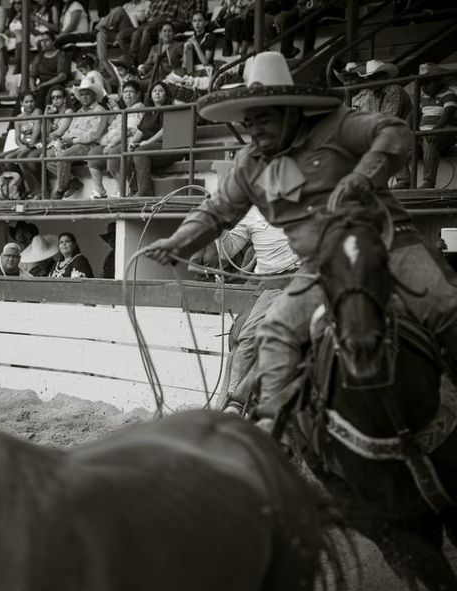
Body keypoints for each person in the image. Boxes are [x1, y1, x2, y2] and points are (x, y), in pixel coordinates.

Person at [143, 51, 456, 432]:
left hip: (389, 244)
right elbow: (215, 211)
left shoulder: (337, 124)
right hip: (320, 269)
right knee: (275, 334)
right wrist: (178, 242)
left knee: (445, 306)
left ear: (289, 110)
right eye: (249, 120)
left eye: (264, 118)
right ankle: (274, 433)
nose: (255, 128)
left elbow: (394, 133)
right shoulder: (250, 163)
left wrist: (362, 175)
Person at [200, 206, 300, 414]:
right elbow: (228, 250)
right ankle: (233, 403)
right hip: (272, 283)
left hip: (304, 279)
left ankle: (234, 404)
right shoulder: (251, 213)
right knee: (243, 337)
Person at [346, 60, 412, 190]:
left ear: (384, 77)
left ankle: (403, 179)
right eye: (369, 78)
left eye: (374, 78)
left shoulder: (394, 89)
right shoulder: (371, 94)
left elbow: (390, 118)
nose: (371, 82)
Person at [41, 78, 107, 200]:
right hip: (73, 143)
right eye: (81, 95)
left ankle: (60, 189)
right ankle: (72, 181)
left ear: (94, 95)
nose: (84, 97)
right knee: (45, 157)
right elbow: (69, 130)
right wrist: (64, 141)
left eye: (87, 94)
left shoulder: (100, 110)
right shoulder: (79, 111)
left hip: (89, 145)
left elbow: (93, 134)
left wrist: (72, 141)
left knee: (64, 156)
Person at [88, 79, 145, 198]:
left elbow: (128, 130)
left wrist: (110, 144)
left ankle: (121, 190)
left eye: (131, 92)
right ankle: (99, 190)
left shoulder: (139, 108)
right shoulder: (124, 111)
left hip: (128, 143)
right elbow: (111, 130)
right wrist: (105, 143)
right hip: (113, 142)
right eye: (125, 92)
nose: (128, 94)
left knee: (114, 154)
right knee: (93, 153)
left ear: (138, 94)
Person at [126, 81, 182, 196]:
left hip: (167, 145)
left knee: (140, 153)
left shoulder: (168, 108)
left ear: (166, 94)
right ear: (150, 94)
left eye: (161, 91)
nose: (157, 93)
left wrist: (147, 142)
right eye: (154, 91)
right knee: (127, 154)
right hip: (151, 146)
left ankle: (146, 190)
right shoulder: (148, 111)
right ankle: (134, 190)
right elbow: (140, 131)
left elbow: (165, 130)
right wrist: (132, 142)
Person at [417, 62, 456, 191]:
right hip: (424, 132)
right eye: (421, 83)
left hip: (442, 130)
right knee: (403, 145)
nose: (424, 86)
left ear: (439, 81)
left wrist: (435, 130)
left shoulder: (449, 94)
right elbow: (416, 113)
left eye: (427, 82)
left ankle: (429, 181)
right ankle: (404, 180)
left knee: (430, 142)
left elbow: (448, 115)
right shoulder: (423, 96)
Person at [28, 31, 69, 111]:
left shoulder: (61, 55)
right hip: (41, 86)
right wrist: (33, 88)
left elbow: (62, 76)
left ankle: (39, 116)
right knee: (25, 96)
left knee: (42, 94)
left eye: (46, 40)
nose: (43, 43)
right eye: (42, 41)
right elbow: (32, 76)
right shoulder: (39, 57)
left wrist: (43, 85)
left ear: (53, 41)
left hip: (56, 84)